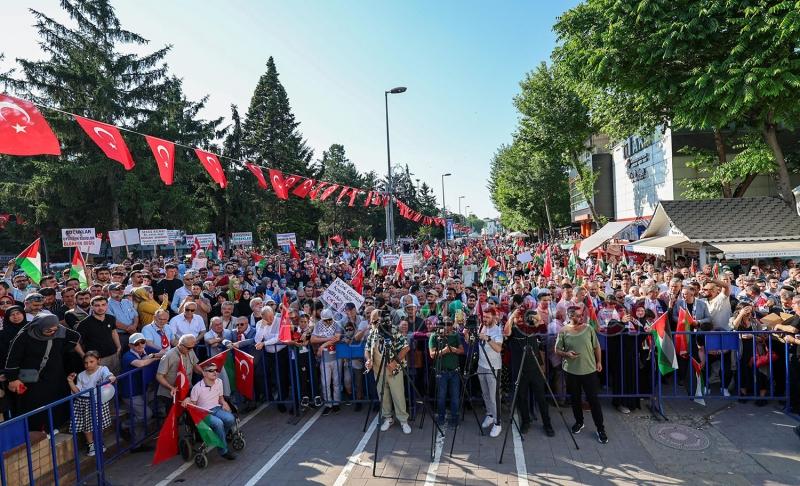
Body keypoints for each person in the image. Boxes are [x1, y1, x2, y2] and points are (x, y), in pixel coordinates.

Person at [5, 315, 81, 432]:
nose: (51, 332)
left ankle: (53, 427)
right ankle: (36, 431)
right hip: (31, 378)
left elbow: (75, 336)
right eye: (48, 330)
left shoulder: (58, 332)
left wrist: (60, 350)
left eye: (54, 329)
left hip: (54, 375)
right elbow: (12, 359)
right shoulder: (24, 337)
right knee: (33, 404)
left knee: (54, 401)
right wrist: (12, 379)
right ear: (38, 326)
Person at [556, 306, 607, 444]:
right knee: (575, 399)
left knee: (594, 400)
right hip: (571, 371)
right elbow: (557, 350)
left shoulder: (589, 329)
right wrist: (566, 354)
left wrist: (599, 362)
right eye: (578, 315)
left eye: (581, 315)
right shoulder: (563, 331)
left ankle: (600, 429)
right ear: (570, 316)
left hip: (589, 371)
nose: (581, 317)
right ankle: (579, 422)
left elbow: (596, 347)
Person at [503, 308, 554, 437]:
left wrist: (536, 317)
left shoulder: (531, 328)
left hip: (535, 368)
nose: (520, 319)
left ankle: (547, 424)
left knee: (541, 398)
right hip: (519, 369)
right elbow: (506, 332)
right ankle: (525, 422)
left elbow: (543, 328)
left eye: (522, 317)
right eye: (518, 317)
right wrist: (511, 317)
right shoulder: (513, 330)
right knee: (522, 398)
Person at [364, 309, 411, 434]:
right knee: (382, 395)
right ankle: (388, 418)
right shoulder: (372, 333)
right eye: (371, 321)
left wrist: (394, 363)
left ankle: (403, 421)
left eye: (374, 321)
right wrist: (368, 360)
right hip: (377, 370)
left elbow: (405, 348)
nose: (372, 323)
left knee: (398, 396)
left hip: (394, 370)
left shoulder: (393, 331)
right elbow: (367, 349)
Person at [181, 362, 237, 460]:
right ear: (204, 373)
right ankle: (223, 451)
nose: (215, 372)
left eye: (216, 370)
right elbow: (193, 406)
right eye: (211, 370)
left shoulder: (219, 382)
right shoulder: (197, 388)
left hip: (217, 408)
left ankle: (218, 438)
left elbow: (221, 398)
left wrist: (224, 403)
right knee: (218, 423)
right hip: (203, 413)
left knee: (231, 419)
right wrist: (188, 399)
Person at [67, 350, 115, 456]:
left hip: (98, 400)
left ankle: (99, 442)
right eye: (86, 363)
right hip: (84, 402)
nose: (88, 365)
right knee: (87, 426)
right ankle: (90, 444)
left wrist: (111, 377)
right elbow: (77, 391)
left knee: (99, 424)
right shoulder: (81, 375)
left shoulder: (102, 369)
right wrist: (70, 382)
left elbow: (108, 375)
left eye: (91, 362)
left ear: (98, 360)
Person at [119, 332, 160, 450]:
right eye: (137, 344)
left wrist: (155, 355)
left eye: (143, 342)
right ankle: (124, 425)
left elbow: (161, 352)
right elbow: (141, 364)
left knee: (141, 415)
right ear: (131, 346)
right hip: (130, 392)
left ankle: (137, 444)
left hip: (143, 388)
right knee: (146, 415)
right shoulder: (127, 356)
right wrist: (154, 357)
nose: (141, 345)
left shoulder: (144, 349)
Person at [428, 316, 463, 429]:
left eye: (449, 324)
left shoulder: (455, 335)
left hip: (454, 371)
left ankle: (454, 419)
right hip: (441, 371)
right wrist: (444, 351)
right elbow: (432, 354)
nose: (447, 326)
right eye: (444, 324)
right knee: (441, 396)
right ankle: (441, 417)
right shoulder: (434, 336)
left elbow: (461, 350)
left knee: (455, 397)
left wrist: (452, 349)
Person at [75, 296, 122, 374]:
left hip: (113, 355)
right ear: (92, 307)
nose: (101, 308)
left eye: (103, 305)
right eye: (97, 305)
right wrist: (84, 356)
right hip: (97, 359)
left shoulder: (111, 318)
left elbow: (113, 332)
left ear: (107, 305)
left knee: (115, 379)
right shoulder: (84, 323)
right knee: (100, 383)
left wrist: (119, 346)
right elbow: (75, 342)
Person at [476, 308, 503, 437]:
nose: (484, 319)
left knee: (494, 397)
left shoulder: (497, 330)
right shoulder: (482, 326)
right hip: (481, 365)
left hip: (493, 367)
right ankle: (490, 414)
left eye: (487, 317)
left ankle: (498, 423)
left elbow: (498, 348)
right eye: (483, 317)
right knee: (485, 394)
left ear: (493, 317)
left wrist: (487, 338)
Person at [310, 308, 342, 415]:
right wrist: (327, 339)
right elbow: (313, 339)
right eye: (325, 320)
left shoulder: (337, 324)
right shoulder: (318, 325)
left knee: (336, 381)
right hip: (324, 358)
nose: (328, 322)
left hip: (336, 357)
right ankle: (328, 403)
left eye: (329, 319)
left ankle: (336, 403)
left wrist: (322, 344)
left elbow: (337, 338)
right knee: (325, 382)